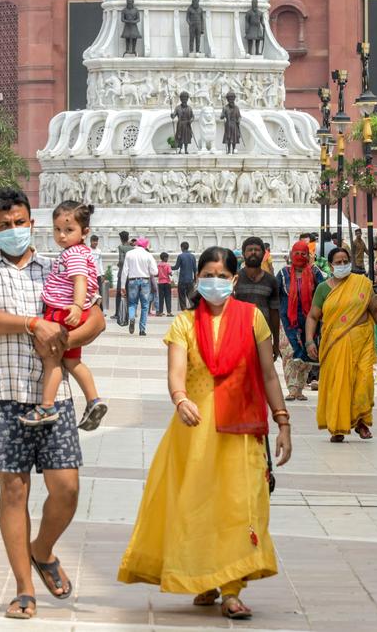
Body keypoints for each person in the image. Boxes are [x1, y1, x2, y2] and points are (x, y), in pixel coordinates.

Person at [118, 246, 292, 620]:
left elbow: (268, 372)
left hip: (242, 428)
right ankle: (204, 579)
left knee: (237, 504)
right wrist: (180, 400)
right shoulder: (184, 322)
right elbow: (176, 373)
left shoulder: (252, 319)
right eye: (207, 274)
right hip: (194, 431)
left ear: (233, 280)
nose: (214, 280)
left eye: (221, 275)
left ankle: (231, 590)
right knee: (198, 505)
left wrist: (283, 421)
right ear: (197, 279)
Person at [0, 187, 105, 620]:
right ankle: (24, 589)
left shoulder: (59, 266)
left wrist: (64, 340)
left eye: (20, 222)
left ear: (32, 222)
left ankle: (42, 549)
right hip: (2, 393)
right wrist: (33, 324)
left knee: (67, 488)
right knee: (14, 490)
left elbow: (96, 316)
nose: (14, 230)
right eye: (4, 226)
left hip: (51, 395)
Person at [19, 202, 107, 432]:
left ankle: (47, 405)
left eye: (69, 230)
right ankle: (94, 399)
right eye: (57, 229)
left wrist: (77, 306)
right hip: (68, 311)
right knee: (72, 361)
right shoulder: (77, 252)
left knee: (51, 359)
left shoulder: (74, 254)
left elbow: (80, 280)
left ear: (85, 232)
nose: (61, 235)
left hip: (62, 311)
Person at [304, 247, 377, 442]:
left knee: (364, 382)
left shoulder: (361, 284)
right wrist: (310, 340)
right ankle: (337, 427)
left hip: (362, 341)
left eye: (346, 261)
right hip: (335, 343)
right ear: (330, 266)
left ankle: (361, 422)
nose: (343, 265)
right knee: (339, 384)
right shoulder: (323, 289)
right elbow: (312, 316)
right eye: (338, 262)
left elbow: (376, 309)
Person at [276, 239, 325, 400]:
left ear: (308, 255)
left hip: (309, 321)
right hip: (287, 321)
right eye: (296, 253)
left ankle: (300, 388)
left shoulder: (315, 272)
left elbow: (324, 292)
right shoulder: (283, 273)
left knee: (306, 354)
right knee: (289, 354)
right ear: (291, 255)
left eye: (303, 253)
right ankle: (291, 389)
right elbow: (275, 295)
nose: (299, 256)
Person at [234, 237, 280, 359]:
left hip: (263, 338)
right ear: (243, 254)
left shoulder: (271, 281)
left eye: (257, 250)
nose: (253, 252)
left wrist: (276, 343)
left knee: (262, 376)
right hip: (238, 337)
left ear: (264, 254)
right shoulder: (235, 279)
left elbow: (274, 312)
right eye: (250, 250)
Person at [122, 236, 158, 336]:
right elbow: (155, 271)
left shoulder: (129, 254)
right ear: (146, 245)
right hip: (145, 281)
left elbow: (125, 271)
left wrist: (122, 286)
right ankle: (142, 330)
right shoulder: (148, 255)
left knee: (132, 303)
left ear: (137, 244)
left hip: (132, 281)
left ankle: (132, 318)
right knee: (145, 306)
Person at [172, 241, 197, 310]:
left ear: (182, 247)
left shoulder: (180, 256)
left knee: (182, 296)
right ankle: (193, 309)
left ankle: (184, 309)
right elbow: (195, 269)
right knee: (190, 296)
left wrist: (169, 267)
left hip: (182, 280)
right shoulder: (192, 256)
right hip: (190, 280)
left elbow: (176, 267)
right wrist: (195, 279)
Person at [116, 231, 134, 321]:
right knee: (130, 295)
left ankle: (118, 313)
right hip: (130, 274)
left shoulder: (121, 247)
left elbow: (122, 261)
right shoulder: (132, 248)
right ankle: (130, 314)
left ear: (121, 238)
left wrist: (118, 264)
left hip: (122, 273)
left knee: (119, 293)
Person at [157, 252, 174, 317]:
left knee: (161, 298)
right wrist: (171, 274)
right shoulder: (167, 265)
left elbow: (157, 273)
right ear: (164, 258)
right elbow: (170, 273)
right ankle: (169, 312)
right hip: (167, 282)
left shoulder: (158, 265)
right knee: (168, 297)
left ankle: (160, 312)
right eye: (167, 258)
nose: (167, 259)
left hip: (160, 283)